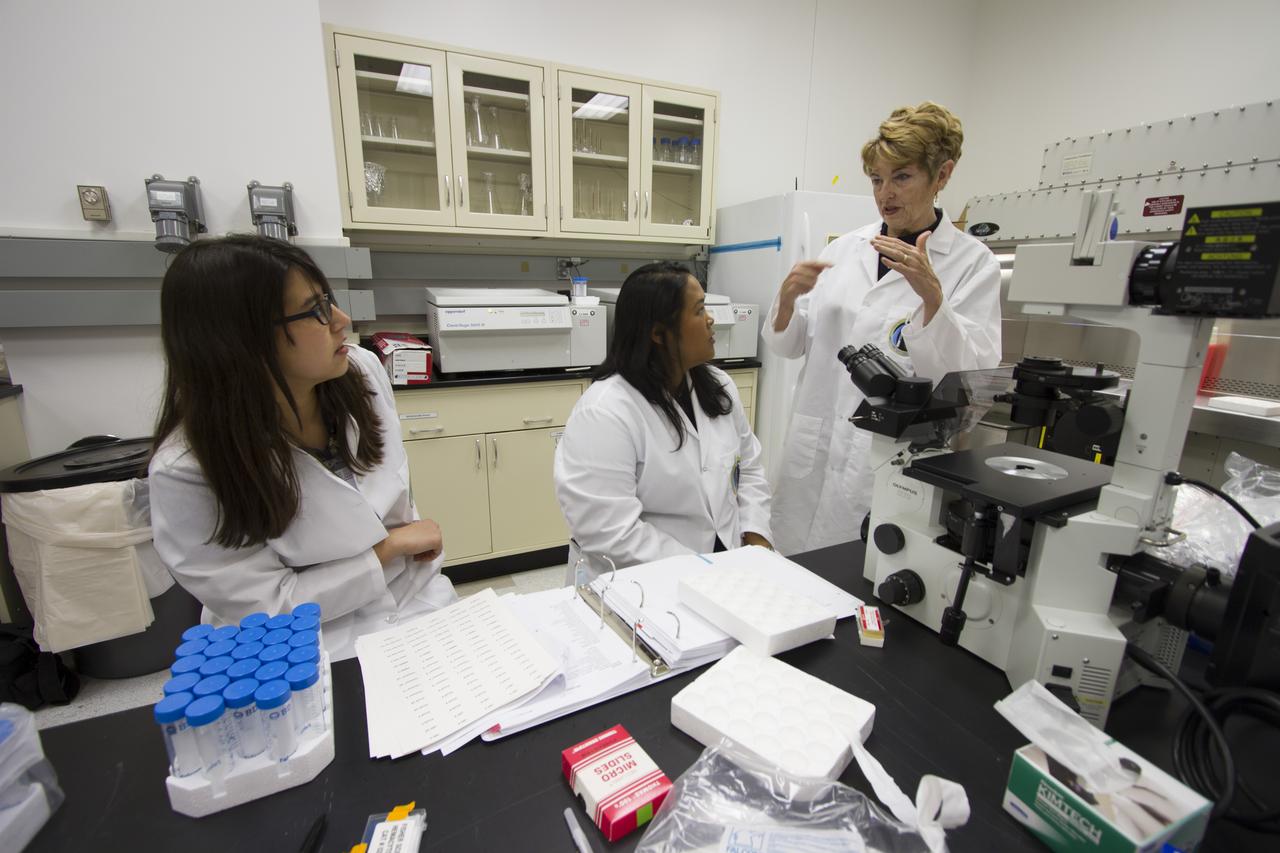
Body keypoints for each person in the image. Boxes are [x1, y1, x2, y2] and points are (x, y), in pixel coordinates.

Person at [148, 235, 456, 660]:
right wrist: (384, 552)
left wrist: (401, 553)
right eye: (314, 310)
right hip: (304, 654)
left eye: (328, 299)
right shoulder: (186, 469)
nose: (341, 320)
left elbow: (400, 516)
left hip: (418, 610)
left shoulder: (361, 374)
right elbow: (268, 608)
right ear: (242, 340)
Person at [764, 101, 1001, 555]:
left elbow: (971, 381)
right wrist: (788, 300)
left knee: (863, 584)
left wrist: (933, 298)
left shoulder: (973, 264)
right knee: (791, 574)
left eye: (902, 177)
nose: (885, 193)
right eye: (876, 179)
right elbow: (790, 346)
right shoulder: (847, 249)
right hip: (814, 452)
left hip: (886, 465)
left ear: (943, 175)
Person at [555, 262, 772, 585]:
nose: (711, 319)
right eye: (699, 311)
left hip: (728, 565)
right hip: (640, 583)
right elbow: (612, 533)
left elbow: (750, 468)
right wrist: (708, 572)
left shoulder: (719, 385)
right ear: (658, 333)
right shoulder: (605, 412)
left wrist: (757, 542)